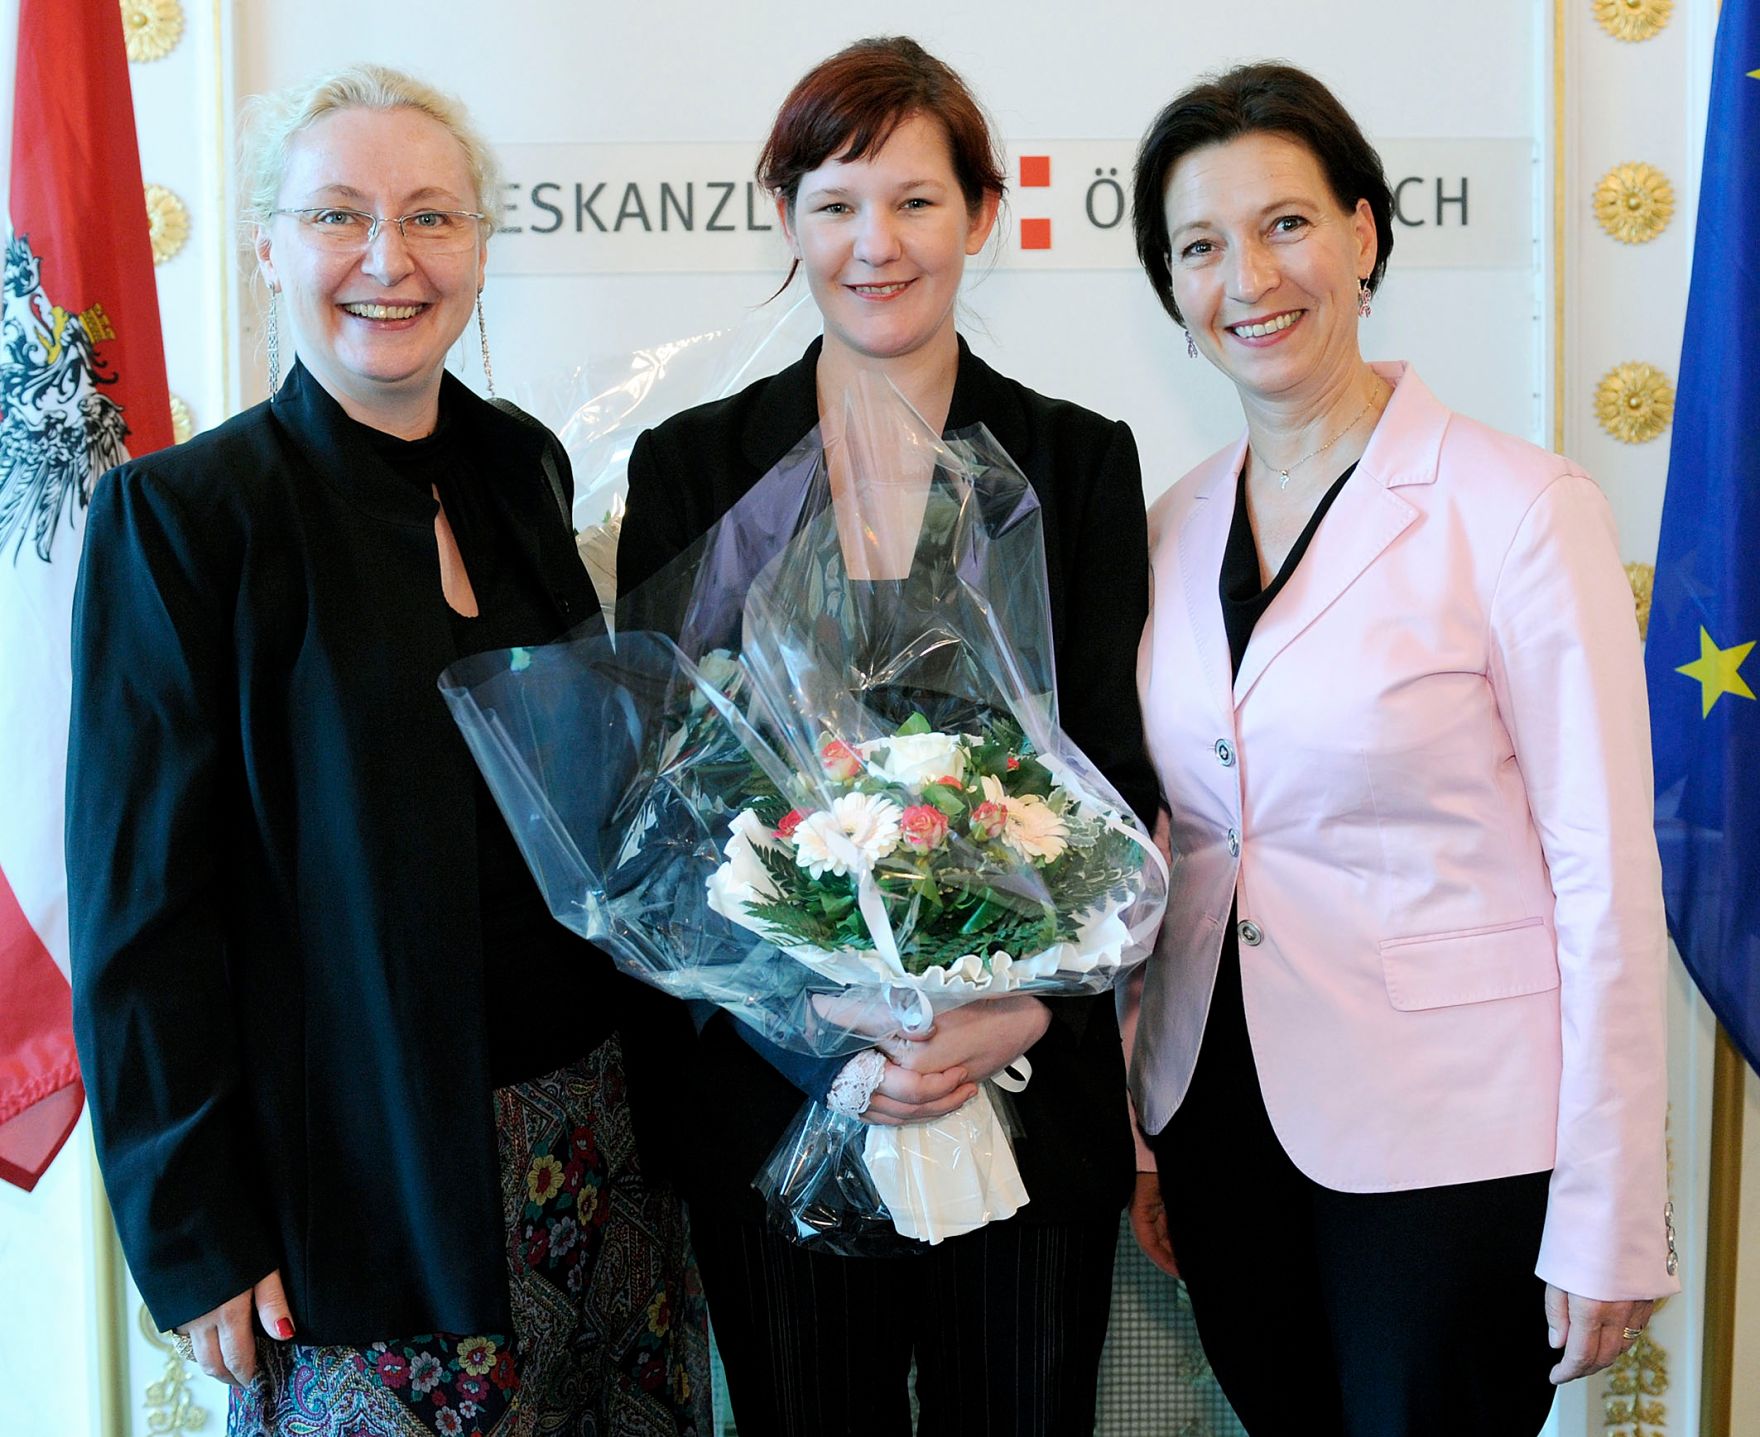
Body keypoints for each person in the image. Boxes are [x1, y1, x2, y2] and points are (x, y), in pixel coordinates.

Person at [67, 63, 707, 1437]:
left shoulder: (522, 464)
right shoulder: (183, 520)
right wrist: (194, 1233)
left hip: (598, 1144)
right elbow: (141, 922)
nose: (388, 260)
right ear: (267, 249)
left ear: (477, 245)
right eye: (339, 216)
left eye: (430, 217)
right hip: (359, 1180)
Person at [1124, 62, 1678, 1435]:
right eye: (1200, 246)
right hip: (1221, 1118)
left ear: (1366, 233)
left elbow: (1606, 872)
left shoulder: (1522, 507)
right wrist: (1140, 1122)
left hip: (1453, 1142)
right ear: (1173, 291)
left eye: (1287, 224)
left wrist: (1613, 1209)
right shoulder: (1171, 521)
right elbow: (1183, 842)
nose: (1247, 275)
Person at [616, 35, 1156, 1437]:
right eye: (837, 200)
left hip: (1028, 1100)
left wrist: (1012, 1012)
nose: (877, 243)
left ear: (985, 215)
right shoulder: (692, 462)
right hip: (775, 1096)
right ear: (787, 215)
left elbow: (1111, 772)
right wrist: (830, 1030)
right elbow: (673, 804)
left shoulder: (1077, 458)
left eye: (918, 201)